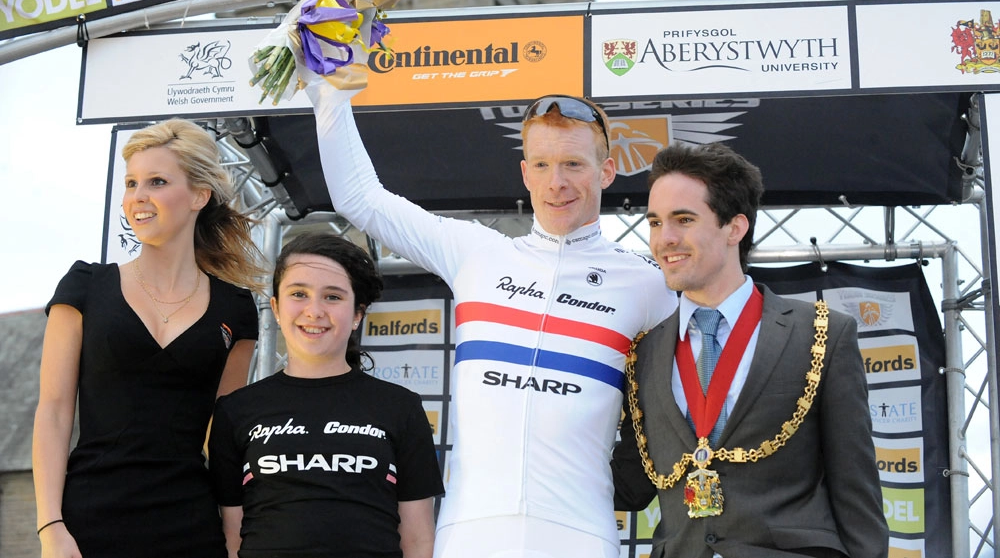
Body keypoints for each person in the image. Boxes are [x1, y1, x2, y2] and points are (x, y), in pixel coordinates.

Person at [306, 89, 676, 558]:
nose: (556, 182)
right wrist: (330, 96)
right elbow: (360, 198)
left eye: (573, 165)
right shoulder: (477, 253)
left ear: (606, 171)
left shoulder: (648, 283)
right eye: (541, 165)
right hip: (470, 533)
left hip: (581, 534)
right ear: (525, 173)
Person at [611, 142, 889, 558]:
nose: (664, 239)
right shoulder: (643, 353)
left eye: (684, 219)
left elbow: (857, 496)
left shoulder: (822, 334)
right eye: (655, 222)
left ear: (735, 228)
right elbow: (631, 485)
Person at [32, 119, 265, 558]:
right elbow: (54, 411)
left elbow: (224, 437)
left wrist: (235, 535)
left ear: (199, 196)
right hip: (87, 525)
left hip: (191, 527)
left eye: (157, 181)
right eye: (131, 183)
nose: (138, 196)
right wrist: (50, 526)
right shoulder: (85, 286)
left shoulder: (235, 308)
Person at [208, 231, 443, 558]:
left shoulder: (401, 407)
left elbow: (418, 540)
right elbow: (232, 538)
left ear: (358, 314)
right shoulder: (235, 411)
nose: (314, 310)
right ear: (275, 308)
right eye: (298, 294)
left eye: (332, 296)